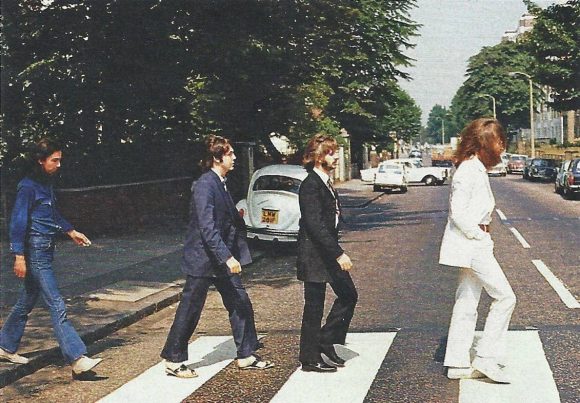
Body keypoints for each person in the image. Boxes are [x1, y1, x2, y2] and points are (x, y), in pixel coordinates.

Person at [160, 135, 274, 378]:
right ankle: (173, 359)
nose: (234, 158)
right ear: (217, 158)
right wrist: (227, 257)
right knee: (190, 309)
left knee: (239, 302)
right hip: (204, 259)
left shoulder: (221, 182)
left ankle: (246, 354)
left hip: (219, 258)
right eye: (230, 154)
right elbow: (207, 227)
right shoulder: (204, 185)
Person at [0, 138, 103, 379]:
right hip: (35, 251)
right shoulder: (27, 187)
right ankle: (77, 358)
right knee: (56, 303)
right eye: (54, 160)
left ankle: (5, 345)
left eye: (60, 160)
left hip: (46, 248)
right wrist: (19, 256)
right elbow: (17, 222)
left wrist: (71, 231)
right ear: (40, 160)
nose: (59, 164)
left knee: (26, 301)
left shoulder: (45, 184)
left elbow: (51, 214)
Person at [439, 118, 517, 384]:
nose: (502, 146)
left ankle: (457, 362)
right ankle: (486, 358)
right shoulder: (470, 170)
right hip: (473, 244)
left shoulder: (474, 168)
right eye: (498, 141)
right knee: (506, 298)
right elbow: (457, 213)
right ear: (484, 142)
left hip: (472, 243)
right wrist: (479, 236)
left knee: (467, 302)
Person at [297, 133, 357, 373]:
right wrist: (338, 253)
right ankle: (309, 358)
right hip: (314, 255)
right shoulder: (310, 185)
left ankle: (326, 339)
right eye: (331, 153)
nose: (336, 157)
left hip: (327, 254)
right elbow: (315, 226)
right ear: (318, 156)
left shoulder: (325, 182)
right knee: (314, 307)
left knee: (349, 295)